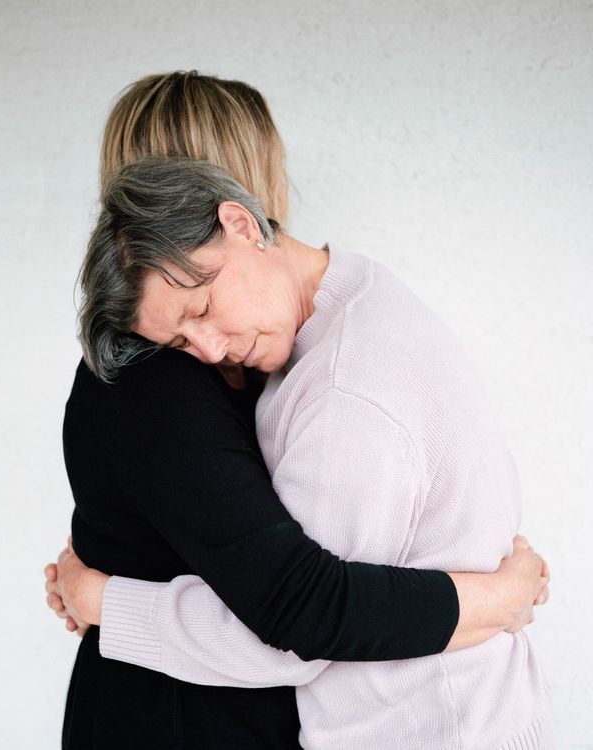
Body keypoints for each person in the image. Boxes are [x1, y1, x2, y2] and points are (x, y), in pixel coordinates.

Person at [45, 72, 549, 750]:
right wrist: (497, 597)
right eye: (182, 331)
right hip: (184, 719)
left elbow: (303, 609)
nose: (206, 345)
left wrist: (104, 600)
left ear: (237, 218)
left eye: (202, 309)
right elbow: (301, 614)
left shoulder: (316, 357)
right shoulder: (169, 374)